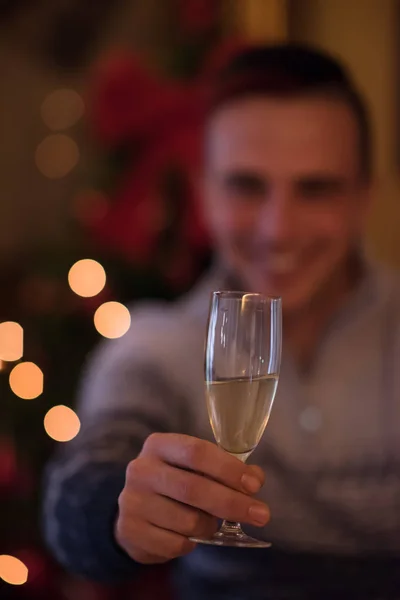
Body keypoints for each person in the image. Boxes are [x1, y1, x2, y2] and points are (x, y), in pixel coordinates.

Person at [43, 43, 400, 599]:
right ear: (204, 193)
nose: (278, 229)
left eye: (316, 188)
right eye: (247, 186)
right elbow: (83, 478)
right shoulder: (157, 344)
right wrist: (118, 506)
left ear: (362, 198)